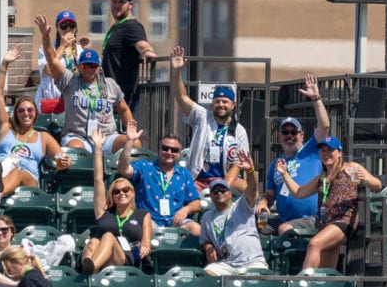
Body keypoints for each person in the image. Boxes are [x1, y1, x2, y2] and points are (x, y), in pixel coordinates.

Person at [274, 136, 383, 271]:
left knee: (314, 244)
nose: (326, 154)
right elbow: (298, 192)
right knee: (325, 271)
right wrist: (285, 174)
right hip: (325, 224)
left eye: (329, 150)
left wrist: (366, 180)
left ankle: (302, 283)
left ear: (339, 152)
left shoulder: (349, 169)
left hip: (343, 222)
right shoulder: (322, 177)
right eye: (323, 151)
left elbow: (377, 186)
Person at [35, 14, 136, 154]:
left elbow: (123, 109)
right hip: (63, 110)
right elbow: (50, 66)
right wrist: (48, 38)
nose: (89, 69)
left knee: (134, 143)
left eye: (93, 65)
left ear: (99, 67)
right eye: (84, 66)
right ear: (58, 28)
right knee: (76, 151)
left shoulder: (108, 84)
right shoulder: (70, 80)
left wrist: (131, 130)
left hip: (105, 136)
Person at [0, 45, 67, 208]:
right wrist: (4, 65)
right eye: (20, 110)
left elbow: (60, 160)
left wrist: (64, 162)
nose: (25, 113)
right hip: (0, 170)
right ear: (16, 113)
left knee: (17, 171)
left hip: (27, 178)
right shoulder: (7, 129)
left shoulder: (44, 137)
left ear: (36, 114)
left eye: (30, 110)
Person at [257, 74, 331, 234]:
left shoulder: (311, 150)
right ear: (279, 136)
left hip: (311, 218)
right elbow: (270, 194)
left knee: (285, 229)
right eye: (285, 132)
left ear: (302, 135)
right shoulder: (276, 164)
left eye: (293, 132)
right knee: (256, 226)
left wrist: (316, 99)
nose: (289, 136)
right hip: (283, 220)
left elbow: (324, 126)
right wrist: (263, 203)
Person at [171, 46, 250, 191]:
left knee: (248, 189)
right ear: (212, 103)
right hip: (198, 179)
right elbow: (181, 97)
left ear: (233, 105)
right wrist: (176, 71)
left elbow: (237, 165)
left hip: (225, 179)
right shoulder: (202, 116)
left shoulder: (239, 131)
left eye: (225, 102)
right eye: (217, 101)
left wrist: (223, 185)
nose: (221, 105)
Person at [82, 130, 152, 274]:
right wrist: (97, 149)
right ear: (112, 196)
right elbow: (98, 180)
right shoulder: (104, 212)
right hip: (101, 257)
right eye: (116, 191)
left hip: (124, 260)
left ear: (132, 194)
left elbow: (146, 240)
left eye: (126, 190)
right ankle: (90, 271)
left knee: (107, 236)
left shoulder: (142, 215)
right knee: (94, 242)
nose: (121, 193)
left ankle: (89, 272)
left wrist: (145, 245)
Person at [117, 120, 201, 235]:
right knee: (146, 228)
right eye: (165, 148)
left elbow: (196, 203)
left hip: (176, 222)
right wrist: (130, 141)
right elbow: (123, 169)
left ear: (179, 154)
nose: (169, 152)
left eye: (174, 150)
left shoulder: (184, 174)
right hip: (150, 221)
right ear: (159, 149)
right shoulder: (145, 167)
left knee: (196, 228)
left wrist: (186, 209)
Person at [200, 152, 269, 276]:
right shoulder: (206, 217)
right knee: (205, 276)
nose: (219, 192)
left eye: (223, 190)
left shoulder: (241, 205)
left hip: (251, 262)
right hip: (226, 263)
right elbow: (205, 240)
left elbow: (252, 190)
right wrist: (208, 246)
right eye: (215, 191)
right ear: (210, 196)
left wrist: (250, 171)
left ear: (230, 193)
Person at [101, 0, 157, 111]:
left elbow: (142, 44)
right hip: (109, 96)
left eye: (121, 2)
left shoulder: (132, 26)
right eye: (114, 1)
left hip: (122, 98)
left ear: (130, 5)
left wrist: (148, 51)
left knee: (123, 130)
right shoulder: (116, 28)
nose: (116, 5)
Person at [35, 10, 86, 114]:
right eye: (64, 26)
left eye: (71, 26)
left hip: (72, 105)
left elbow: (87, 76)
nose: (68, 29)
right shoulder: (48, 48)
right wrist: (62, 47)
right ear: (57, 28)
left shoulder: (80, 50)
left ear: (75, 28)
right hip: (50, 104)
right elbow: (48, 70)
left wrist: (87, 51)